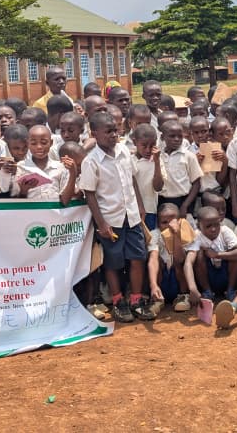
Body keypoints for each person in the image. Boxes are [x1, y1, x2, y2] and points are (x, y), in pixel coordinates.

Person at [79, 112, 153, 323]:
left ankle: (136, 299)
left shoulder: (123, 151)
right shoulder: (91, 161)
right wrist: (101, 223)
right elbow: (89, 194)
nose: (114, 135)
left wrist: (139, 204)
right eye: (108, 131)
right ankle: (119, 300)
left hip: (131, 215)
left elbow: (132, 179)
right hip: (111, 220)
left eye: (116, 130)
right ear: (94, 134)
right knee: (113, 262)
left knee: (138, 257)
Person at [186, 206, 237, 301]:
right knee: (199, 254)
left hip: (226, 274)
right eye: (208, 226)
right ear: (199, 226)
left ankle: (230, 290)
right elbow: (188, 262)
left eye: (216, 224)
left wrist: (217, 254)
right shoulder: (196, 236)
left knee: (235, 254)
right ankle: (207, 292)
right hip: (208, 275)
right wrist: (192, 288)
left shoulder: (224, 230)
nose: (213, 229)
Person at [157, 120, 202, 218]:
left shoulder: (189, 156)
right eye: (172, 136)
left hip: (183, 201)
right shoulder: (158, 156)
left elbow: (196, 183)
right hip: (162, 201)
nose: (177, 139)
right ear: (162, 137)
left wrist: (185, 205)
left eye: (180, 136)